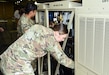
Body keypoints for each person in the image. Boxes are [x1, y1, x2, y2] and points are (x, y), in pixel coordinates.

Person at [0, 24, 74, 75]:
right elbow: (63, 59)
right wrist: (76, 66)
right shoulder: (51, 42)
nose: (63, 40)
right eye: (63, 38)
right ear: (57, 33)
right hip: (17, 65)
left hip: (7, 57)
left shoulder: (38, 27)